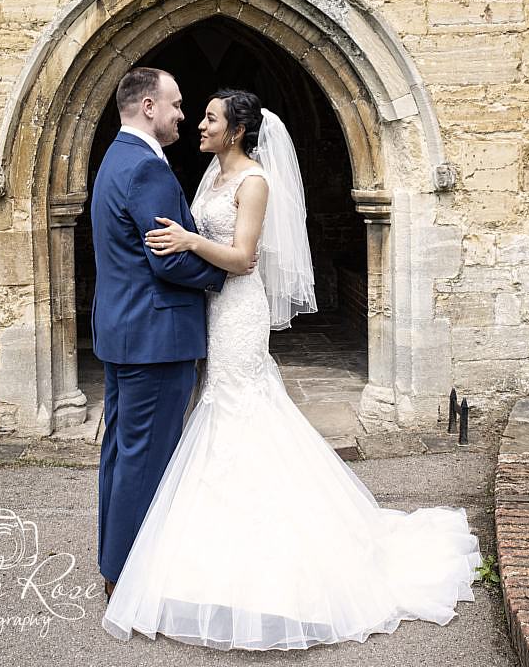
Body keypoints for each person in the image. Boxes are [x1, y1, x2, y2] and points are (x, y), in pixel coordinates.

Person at [102, 88, 482, 651]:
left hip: (236, 310)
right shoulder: (209, 177)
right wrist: (190, 244)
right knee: (211, 413)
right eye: (193, 112)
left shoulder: (254, 181)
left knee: (238, 409)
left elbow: (243, 257)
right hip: (210, 309)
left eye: (208, 117)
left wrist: (187, 240)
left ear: (235, 131)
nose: (197, 123)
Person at [90, 68, 233, 601]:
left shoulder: (115, 157)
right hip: (155, 334)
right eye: (176, 104)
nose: (182, 115)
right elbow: (168, 258)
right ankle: (129, 578)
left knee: (123, 451)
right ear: (148, 106)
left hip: (125, 329)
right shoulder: (148, 169)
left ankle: (115, 564)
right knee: (146, 455)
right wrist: (225, 271)